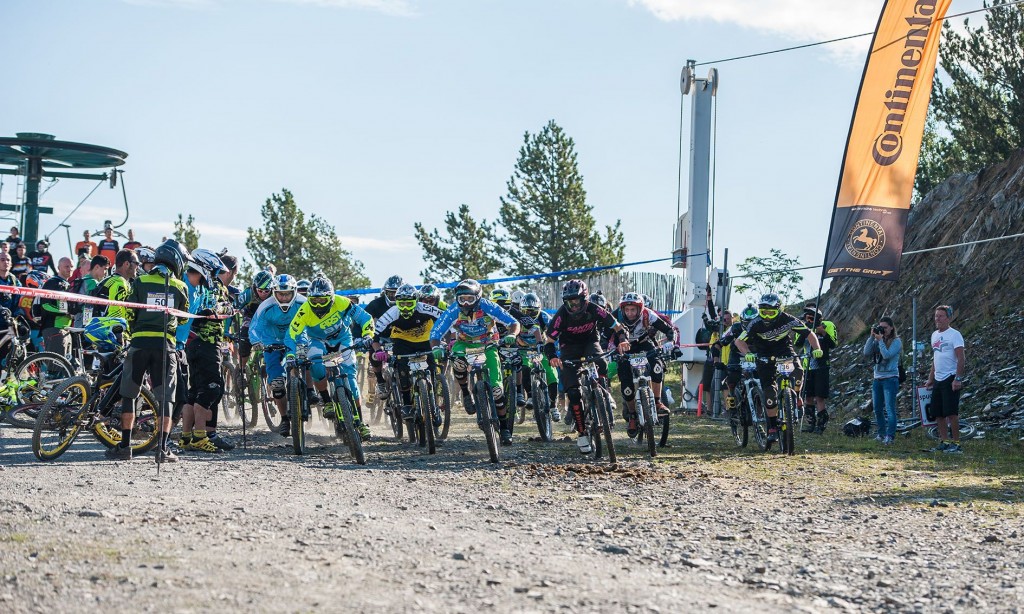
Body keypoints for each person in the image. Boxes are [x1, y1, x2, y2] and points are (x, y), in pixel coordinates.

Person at [113, 239, 191, 462]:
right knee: (166, 398)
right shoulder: (180, 286)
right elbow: (183, 319)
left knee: (129, 394)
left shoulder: (140, 281)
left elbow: (129, 314)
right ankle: (162, 449)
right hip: (165, 347)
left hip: (138, 344)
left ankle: (125, 446)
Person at [429, 279, 521, 446]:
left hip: (488, 344)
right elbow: (435, 333)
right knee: (457, 361)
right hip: (464, 344)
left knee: (497, 389)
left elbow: (513, 322)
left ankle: (505, 427)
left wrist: (512, 335)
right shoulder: (453, 310)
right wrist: (437, 347)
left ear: (478, 298)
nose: (465, 303)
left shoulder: (488, 306)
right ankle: (465, 393)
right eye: (461, 299)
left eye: (469, 299)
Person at [285, 274, 374, 439]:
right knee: (316, 367)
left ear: (331, 298)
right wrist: (291, 353)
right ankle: (326, 401)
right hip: (318, 341)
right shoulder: (304, 310)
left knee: (352, 383)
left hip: (343, 339)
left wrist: (368, 334)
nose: (318, 304)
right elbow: (291, 334)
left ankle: (360, 423)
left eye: (322, 300)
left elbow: (365, 318)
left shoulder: (342, 302)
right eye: (314, 300)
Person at [545, 279, 628, 454]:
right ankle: (582, 433)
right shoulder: (560, 315)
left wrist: (622, 340)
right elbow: (550, 340)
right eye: (569, 302)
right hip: (569, 348)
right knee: (573, 392)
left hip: (591, 342)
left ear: (585, 299)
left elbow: (617, 326)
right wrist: (552, 356)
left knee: (601, 362)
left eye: (576, 301)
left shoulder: (595, 309)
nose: (573, 306)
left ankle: (604, 391)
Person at [733, 293, 822, 444]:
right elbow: (739, 341)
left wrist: (817, 348)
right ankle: (773, 428)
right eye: (763, 312)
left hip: (784, 352)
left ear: (778, 310)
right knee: (769, 393)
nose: (767, 317)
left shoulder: (788, 319)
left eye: (771, 313)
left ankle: (797, 394)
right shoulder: (755, 323)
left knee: (798, 370)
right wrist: (747, 353)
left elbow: (809, 334)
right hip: (764, 357)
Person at [371, 284, 443, 422]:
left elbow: (445, 320)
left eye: (408, 303)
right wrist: (378, 350)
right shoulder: (392, 312)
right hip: (401, 342)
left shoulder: (425, 308)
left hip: (424, 341)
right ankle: (407, 404)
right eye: (401, 303)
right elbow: (375, 334)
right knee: (402, 370)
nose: (404, 307)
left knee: (432, 367)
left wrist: (451, 339)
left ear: (416, 301)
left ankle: (434, 403)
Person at [612, 292, 679, 438]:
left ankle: (657, 401)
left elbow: (668, 329)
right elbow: (604, 335)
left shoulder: (648, 315)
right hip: (624, 347)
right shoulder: (615, 315)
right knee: (627, 383)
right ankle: (632, 416)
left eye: (633, 310)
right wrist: (609, 349)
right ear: (622, 309)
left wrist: (670, 342)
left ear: (640, 309)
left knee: (657, 365)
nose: (630, 313)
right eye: (627, 310)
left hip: (644, 344)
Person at [249, 274, 308, 435]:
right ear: (274, 292)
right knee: (277, 384)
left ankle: (309, 391)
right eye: (280, 294)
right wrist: (256, 341)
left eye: (287, 293)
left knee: (307, 361)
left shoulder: (303, 303)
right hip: (271, 343)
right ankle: (284, 419)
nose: (283, 297)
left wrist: (309, 340)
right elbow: (254, 327)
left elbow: (313, 323)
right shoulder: (266, 306)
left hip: (295, 341)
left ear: (294, 292)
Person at [926, 305, 966, 454]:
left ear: (948, 317)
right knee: (938, 412)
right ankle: (944, 441)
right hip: (938, 378)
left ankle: (956, 443)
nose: (938, 319)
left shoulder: (954, 334)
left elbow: (961, 358)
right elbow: (935, 358)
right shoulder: (934, 335)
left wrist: (958, 378)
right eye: (936, 316)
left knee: (951, 412)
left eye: (941, 316)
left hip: (950, 377)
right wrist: (930, 378)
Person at [797, 305, 838, 434]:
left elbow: (833, 344)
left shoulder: (828, 325)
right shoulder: (802, 326)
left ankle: (821, 425)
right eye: (807, 316)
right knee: (808, 396)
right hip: (807, 366)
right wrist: (806, 331)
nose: (809, 318)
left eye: (811, 315)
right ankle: (810, 423)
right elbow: (797, 343)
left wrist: (823, 333)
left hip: (822, 366)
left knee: (820, 396)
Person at [863, 316, 901, 445]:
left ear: (891, 327)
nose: (883, 330)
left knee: (890, 409)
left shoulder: (896, 341)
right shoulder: (878, 339)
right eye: (881, 327)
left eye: (885, 328)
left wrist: (880, 341)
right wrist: (871, 337)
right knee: (877, 408)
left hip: (890, 379)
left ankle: (890, 436)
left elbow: (887, 355)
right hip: (877, 378)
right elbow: (866, 352)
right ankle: (881, 433)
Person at [39, 257, 75, 358]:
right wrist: (66, 312)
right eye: (66, 266)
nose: (69, 269)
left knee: (65, 367)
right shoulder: (52, 282)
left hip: (66, 329)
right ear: (58, 268)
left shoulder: (68, 284)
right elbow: (45, 305)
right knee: (55, 367)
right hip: (54, 328)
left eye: (71, 266)